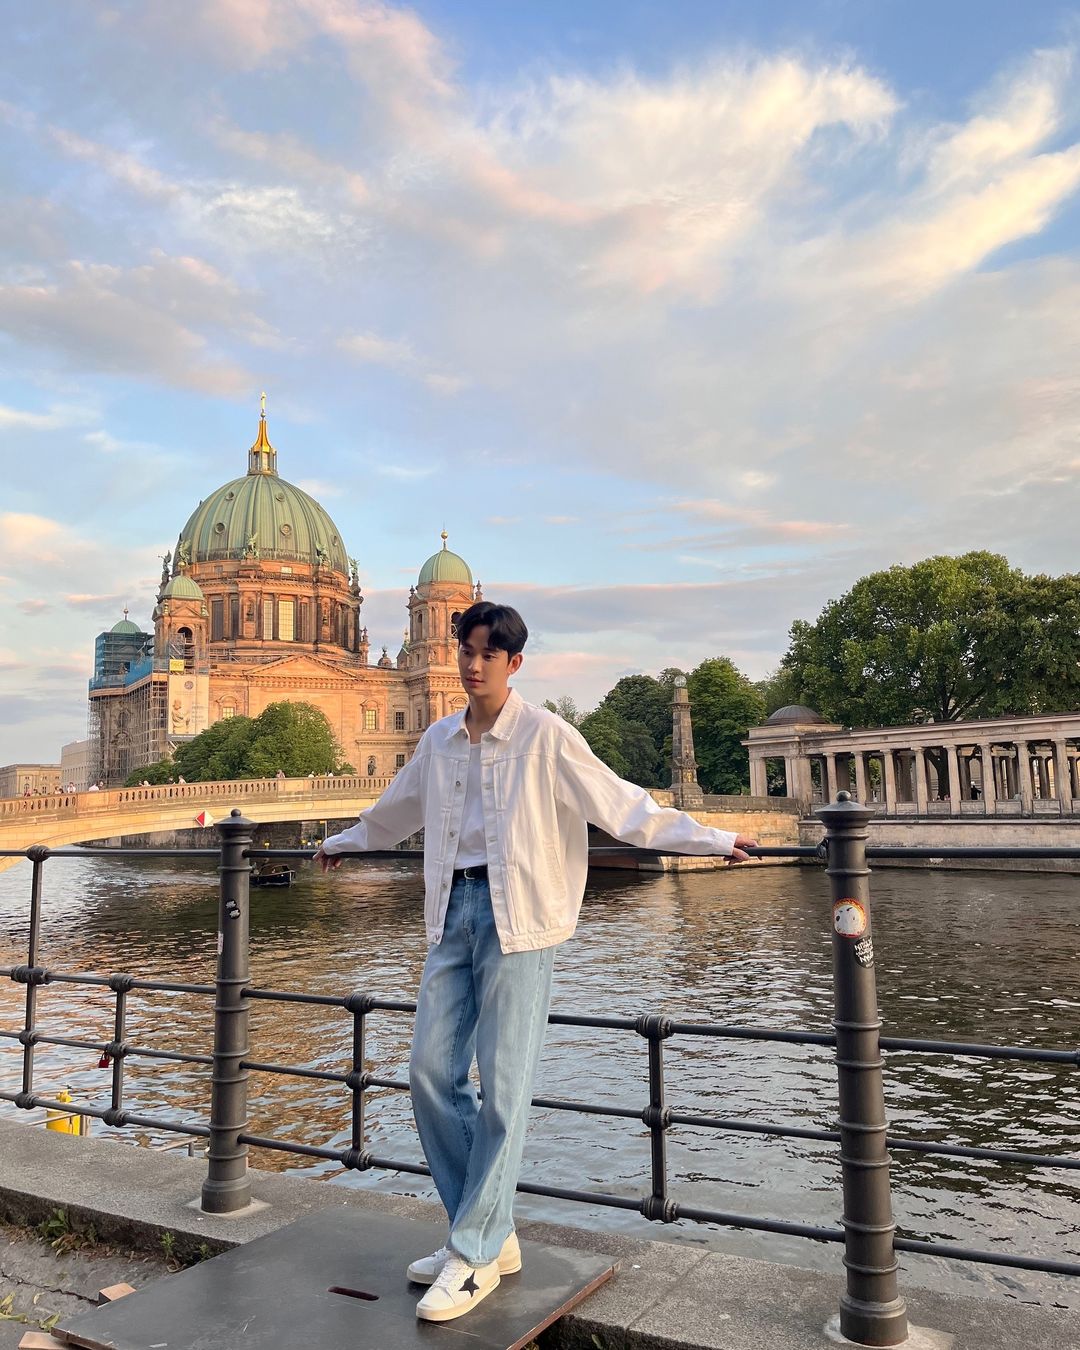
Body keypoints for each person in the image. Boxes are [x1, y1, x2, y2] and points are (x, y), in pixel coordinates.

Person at [314, 601, 755, 1324]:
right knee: (428, 1073)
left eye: (487, 654)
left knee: (505, 1088)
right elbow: (395, 812)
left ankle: (474, 1250)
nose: (472, 664)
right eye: (466, 650)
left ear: (514, 663)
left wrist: (711, 838)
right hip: (451, 912)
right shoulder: (439, 740)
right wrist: (343, 841)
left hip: (517, 918)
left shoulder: (546, 736)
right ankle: (485, 1234)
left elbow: (624, 807)